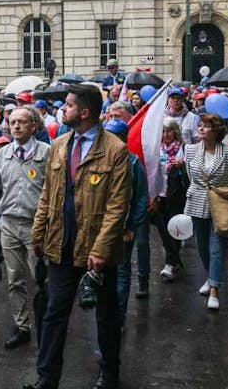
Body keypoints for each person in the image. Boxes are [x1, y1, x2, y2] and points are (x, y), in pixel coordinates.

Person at [26, 84, 129, 389]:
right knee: (54, 313)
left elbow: (116, 207)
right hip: (61, 243)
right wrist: (39, 232)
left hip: (98, 251)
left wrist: (99, 250)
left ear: (85, 112)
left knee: (106, 315)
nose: (63, 109)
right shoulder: (59, 145)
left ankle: (109, 371)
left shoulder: (115, 150)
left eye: (68, 105)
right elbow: (47, 194)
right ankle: (47, 378)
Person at [0, 106, 50, 349]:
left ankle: (47, 326)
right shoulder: (2, 155)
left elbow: (55, 191)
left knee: (42, 280)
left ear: (34, 126)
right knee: (14, 279)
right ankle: (22, 327)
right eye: (13, 122)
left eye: (22, 122)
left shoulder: (47, 153)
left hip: (37, 227)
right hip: (9, 223)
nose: (17, 126)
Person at [183, 113, 228, 311]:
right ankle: (210, 276)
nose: (200, 129)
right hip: (197, 201)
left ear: (216, 131)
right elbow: (192, 177)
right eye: (199, 125)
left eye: (206, 126)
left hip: (221, 204)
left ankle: (214, 289)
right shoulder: (190, 150)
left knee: (217, 249)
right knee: (202, 247)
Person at [102, 119, 148, 329]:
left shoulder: (134, 163)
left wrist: (131, 225)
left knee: (121, 271)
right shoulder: (97, 160)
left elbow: (140, 198)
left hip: (122, 229)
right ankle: (104, 315)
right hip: (99, 227)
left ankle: (118, 317)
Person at [155, 119, 187, 281]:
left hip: (176, 195)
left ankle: (171, 262)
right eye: (163, 131)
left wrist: (182, 166)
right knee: (162, 227)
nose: (166, 135)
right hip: (160, 194)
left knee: (175, 227)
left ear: (175, 132)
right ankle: (172, 255)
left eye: (169, 131)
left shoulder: (184, 149)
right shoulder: (156, 149)